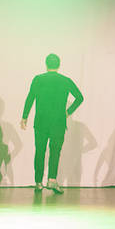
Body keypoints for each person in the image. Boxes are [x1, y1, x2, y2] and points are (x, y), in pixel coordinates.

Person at [21, 53, 84, 194]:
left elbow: (30, 98)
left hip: (41, 122)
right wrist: (68, 112)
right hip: (58, 122)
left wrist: (24, 117)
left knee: (40, 151)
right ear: (59, 65)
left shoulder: (38, 79)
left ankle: (38, 183)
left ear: (46, 64)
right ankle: (52, 180)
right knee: (55, 152)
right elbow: (80, 97)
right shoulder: (65, 80)